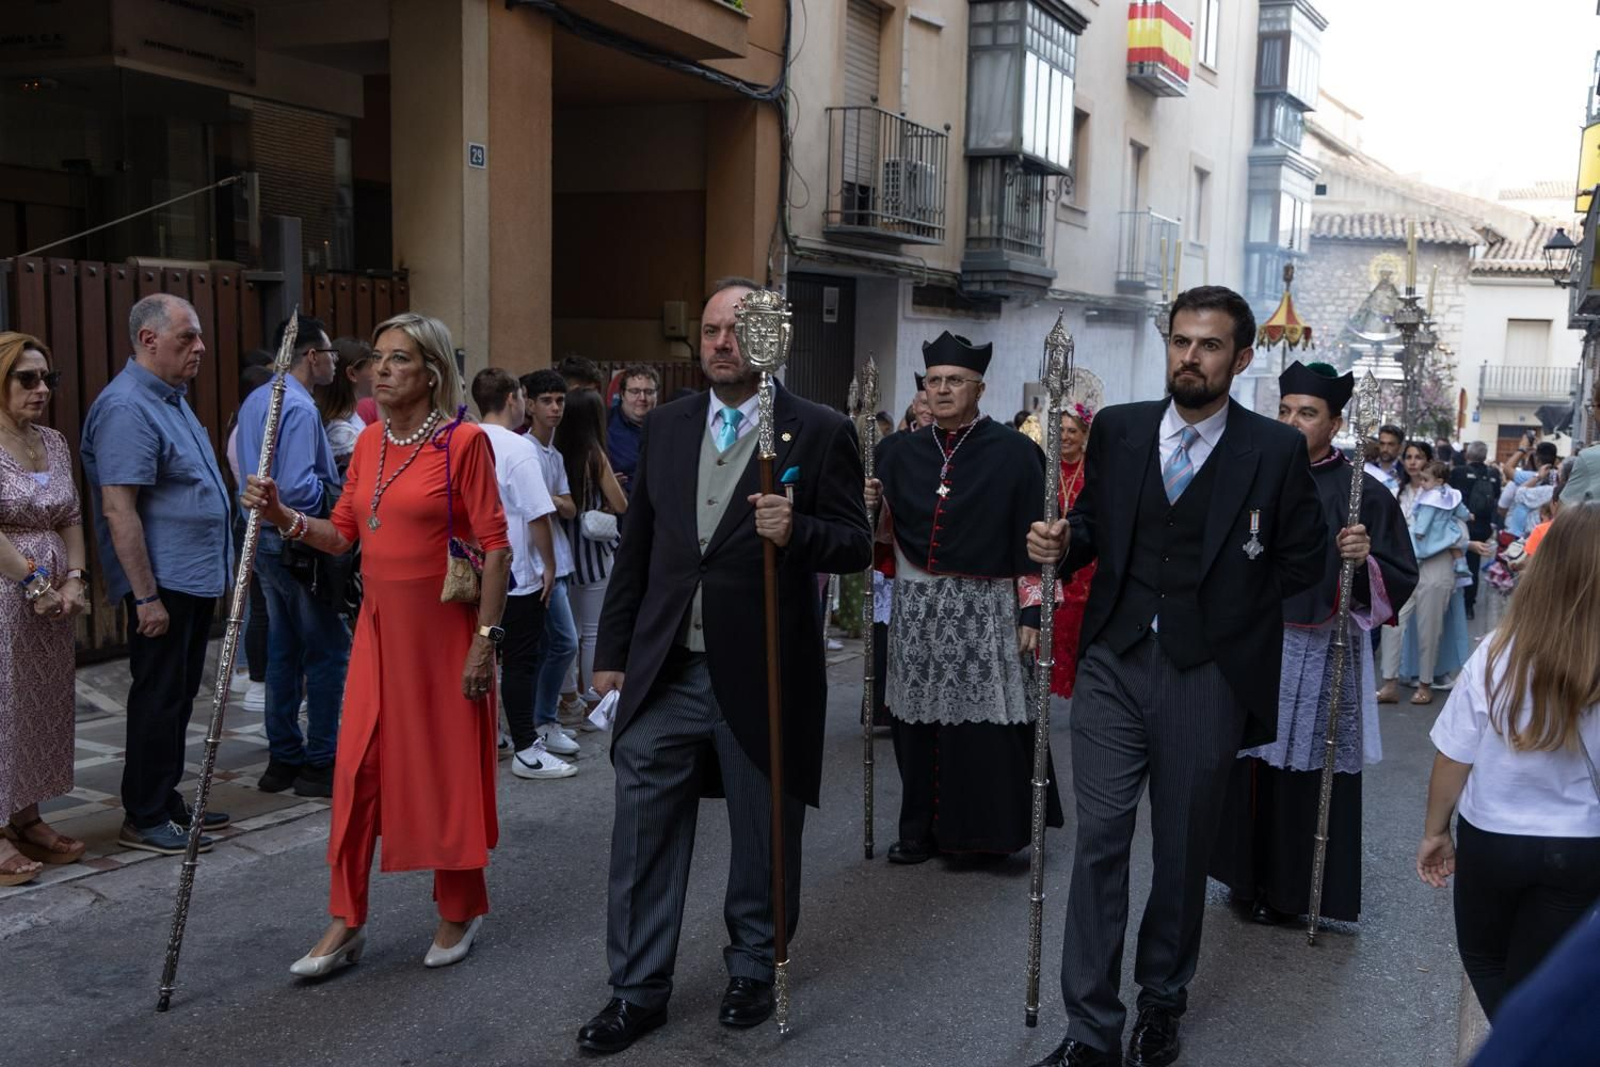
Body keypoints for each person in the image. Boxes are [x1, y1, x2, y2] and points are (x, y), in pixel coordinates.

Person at [1023, 286, 1329, 1067]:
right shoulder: (1121, 432)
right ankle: (1089, 1028)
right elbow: (1093, 525)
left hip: (1208, 672)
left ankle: (1162, 1000)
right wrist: (1063, 541)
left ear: (1242, 357)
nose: (1190, 356)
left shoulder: (1272, 449)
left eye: (1209, 345)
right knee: (1101, 839)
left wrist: (1234, 606)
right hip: (1113, 661)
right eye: (1181, 340)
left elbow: (1304, 557)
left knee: (1183, 848)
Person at [576, 278, 871, 1054]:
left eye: (736, 329)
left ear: (770, 338)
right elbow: (638, 548)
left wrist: (797, 528)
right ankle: (636, 990)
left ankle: (751, 966)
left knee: (762, 832)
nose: (719, 342)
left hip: (764, 670)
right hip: (666, 667)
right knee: (641, 830)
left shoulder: (817, 429)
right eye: (709, 329)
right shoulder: (668, 427)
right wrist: (611, 656)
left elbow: (856, 541)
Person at [242, 312, 510, 976]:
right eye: (380, 358)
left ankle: (459, 905)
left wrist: (485, 641)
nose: (381, 369)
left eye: (399, 359)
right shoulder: (366, 445)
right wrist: (282, 517)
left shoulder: (464, 441)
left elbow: (498, 547)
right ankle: (346, 919)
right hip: (379, 633)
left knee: (445, 774)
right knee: (355, 774)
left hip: (447, 636)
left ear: (432, 373)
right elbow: (341, 536)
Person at [1210, 361, 1417, 927]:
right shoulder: (1253, 473)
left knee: (1305, 768)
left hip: (1321, 650)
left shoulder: (1363, 494)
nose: (1292, 422)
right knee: (1248, 760)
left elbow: (1399, 575)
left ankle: (1294, 891)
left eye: (1307, 413)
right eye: (1284, 411)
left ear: (1335, 422)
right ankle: (1243, 876)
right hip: (1256, 641)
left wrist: (1363, 559)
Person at [865, 331, 1063, 864]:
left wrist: (1033, 608)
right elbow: (880, 537)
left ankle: (982, 836)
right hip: (917, 605)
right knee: (912, 723)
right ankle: (917, 830)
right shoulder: (897, 451)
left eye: (955, 381)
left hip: (988, 609)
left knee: (983, 728)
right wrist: (871, 504)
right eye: (934, 381)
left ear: (979, 388)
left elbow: (1038, 536)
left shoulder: (1017, 453)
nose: (943, 390)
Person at [1417, 503, 1600, 1020]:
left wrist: (1436, 831)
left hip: (1494, 835)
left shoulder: (1499, 651)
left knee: (1484, 956)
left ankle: (1519, 1042)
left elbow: (1455, 754)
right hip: (1583, 843)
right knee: (1540, 974)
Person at [82, 293, 233, 855]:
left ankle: (165, 798)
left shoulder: (169, 398)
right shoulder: (127, 407)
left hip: (189, 578)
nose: (199, 347)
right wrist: (146, 597)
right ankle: (143, 813)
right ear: (148, 340)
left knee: (178, 694)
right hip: (162, 583)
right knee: (159, 696)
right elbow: (119, 509)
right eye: (186, 337)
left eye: (197, 336)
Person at [237, 315, 351, 797]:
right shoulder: (299, 408)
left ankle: (283, 757)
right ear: (311, 356)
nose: (333, 363)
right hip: (294, 540)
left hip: (262, 537)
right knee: (325, 651)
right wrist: (341, 492)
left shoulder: (256, 399)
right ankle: (319, 760)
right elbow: (301, 488)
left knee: (284, 650)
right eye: (330, 354)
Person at [0, 333, 90, 885]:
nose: (40, 389)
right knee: (2, 706)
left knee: (39, 706)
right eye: (26, 379)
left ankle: (27, 815)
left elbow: (71, 516)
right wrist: (35, 583)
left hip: (53, 600)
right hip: (7, 595)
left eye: (46, 379)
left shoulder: (53, 442)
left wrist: (75, 579)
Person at [470, 368, 571, 780]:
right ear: (513, 398)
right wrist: (549, 565)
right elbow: (538, 514)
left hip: (474, 575)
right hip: (517, 578)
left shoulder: (463, 439)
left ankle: (490, 734)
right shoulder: (517, 449)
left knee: (486, 652)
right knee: (519, 661)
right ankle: (528, 746)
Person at [519, 368, 583, 755]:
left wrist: (554, 501)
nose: (555, 408)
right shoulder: (524, 450)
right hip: (535, 563)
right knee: (563, 642)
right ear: (529, 404)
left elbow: (569, 506)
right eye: (547, 400)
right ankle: (542, 720)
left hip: (557, 561)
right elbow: (536, 508)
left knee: (552, 645)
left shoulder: (553, 455)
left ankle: (543, 720)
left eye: (560, 400)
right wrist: (554, 503)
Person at [1378, 442, 1471, 706]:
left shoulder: (1447, 495)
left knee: (1430, 629)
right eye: (1408, 456)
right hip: (1402, 565)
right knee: (1392, 622)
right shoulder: (1396, 491)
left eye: (1419, 457)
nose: (1412, 462)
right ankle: (1389, 683)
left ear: (1429, 461)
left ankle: (1425, 683)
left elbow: (1462, 530)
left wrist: (1455, 543)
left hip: (1436, 563)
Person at [556, 388, 628, 708]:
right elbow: (621, 504)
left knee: (567, 633)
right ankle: (593, 698)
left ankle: (567, 695)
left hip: (562, 553)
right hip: (595, 556)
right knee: (593, 632)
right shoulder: (594, 455)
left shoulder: (554, 451)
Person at [226, 359, 274, 714]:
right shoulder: (249, 429)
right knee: (260, 608)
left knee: (255, 605)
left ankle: (250, 672)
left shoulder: (242, 426)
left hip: (252, 520)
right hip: (256, 522)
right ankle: (257, 678)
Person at [1043, 403, 1097, 700]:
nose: (1065, 436)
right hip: (1054, 559)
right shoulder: (1047, 467)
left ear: (1084, 434)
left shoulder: (1094, 468)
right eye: (1061, 430)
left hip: (1087, 567)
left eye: (1072, 431)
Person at [1450, 441, 1502, 620]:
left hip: (1460, 525)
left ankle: (1452, 601)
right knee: (1473, 564)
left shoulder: (1458, 472)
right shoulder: (1493, 474)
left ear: (1467, 455)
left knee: (1453, 561)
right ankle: (1468, 604)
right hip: (1482, 527)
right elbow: (1495, 497)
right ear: (1485, 456)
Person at [318, 337, 372, 476]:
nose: (378, 372)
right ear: (352, 374)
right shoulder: (342, 434)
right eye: (371, 366)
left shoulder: (351, 417)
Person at [607, 363, 659, 495]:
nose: (642, 398)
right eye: (635, 391)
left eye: (648, 392)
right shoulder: (606, 425)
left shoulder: (668, 426)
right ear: (622, 394)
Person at [1364, 424, 1404, 496]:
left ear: (1400, 448)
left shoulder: (1405, 473)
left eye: (1391, 444)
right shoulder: (1367, 469)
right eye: (1382, 444)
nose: (1385, 449)